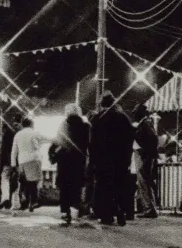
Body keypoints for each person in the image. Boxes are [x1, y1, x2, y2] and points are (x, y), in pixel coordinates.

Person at [89, 92, 135, 226]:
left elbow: (92, 143)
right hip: (120, 159)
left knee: (104, 187)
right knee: (119, 186)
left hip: (102, 159)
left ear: (101, 104)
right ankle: (120, 211)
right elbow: (129, 139)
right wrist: (127, 158)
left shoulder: (97, 119)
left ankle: (107, 215)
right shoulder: (123, 118)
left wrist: (93, 160)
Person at [50, 103, 90, 226]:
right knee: (76, 185)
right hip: (78, 160)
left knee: (64, 187)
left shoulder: (63, 125)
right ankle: (78, 206)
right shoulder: (85, 126)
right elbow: (89, 143)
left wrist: (52, 154)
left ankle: (65, 211)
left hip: (64, 160)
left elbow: (56, 142)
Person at [132, 105, 160, 219]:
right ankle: (150, 208)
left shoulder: (145, 123)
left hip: (144, 156)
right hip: (146, 156)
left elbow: (153, 138)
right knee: (146, 182)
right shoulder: (146, 123)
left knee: (143, 182)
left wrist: (145, 152)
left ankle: (148, 208)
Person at [10, 116, 43, 211]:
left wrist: (13, 164)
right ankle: (33, 202)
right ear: (31, 124)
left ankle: (25, 201)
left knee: (23, 182)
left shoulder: (18, 135)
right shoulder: (35, 133)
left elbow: (14, 151)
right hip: (34, 159)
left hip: (22, 161)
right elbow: (46, 139)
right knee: (33, 182)